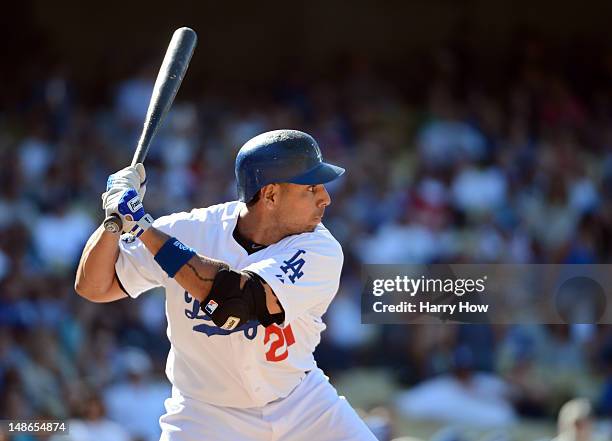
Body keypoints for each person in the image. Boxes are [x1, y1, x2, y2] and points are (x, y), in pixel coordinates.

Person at [75, 129, 376, 441]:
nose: (325, 198)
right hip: (204, 417)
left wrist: (142, 227)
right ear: (270, 194)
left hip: (300, 405)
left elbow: (234, 302)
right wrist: (113, 220)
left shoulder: (320, 248)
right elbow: (94, 286)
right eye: (311, 188)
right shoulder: (189, 230)